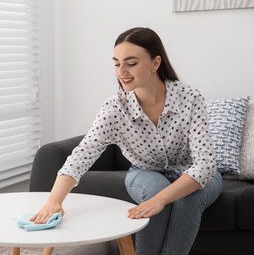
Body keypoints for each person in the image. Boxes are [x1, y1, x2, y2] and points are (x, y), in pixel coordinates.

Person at [30, 27, 223, 255]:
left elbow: (206, 164)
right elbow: (82, 154)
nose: (121, 71)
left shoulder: (190, 98)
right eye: (116, 63)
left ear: (155, 63)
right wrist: (54, 200)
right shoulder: (114, 109)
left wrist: (162, 200)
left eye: (131, 63)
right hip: (144, 172)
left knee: (186, 198)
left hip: (191, 172)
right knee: (154, 190)